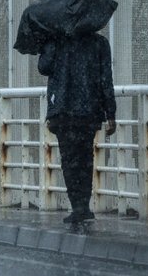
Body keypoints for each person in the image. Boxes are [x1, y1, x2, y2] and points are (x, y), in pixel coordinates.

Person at [38, 32, 117, 224]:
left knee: (69, 159)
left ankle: (77, 206)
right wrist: (110, 113)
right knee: (85, 157)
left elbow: (43, 67)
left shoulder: (56, 40)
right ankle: (84, 205)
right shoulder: (99, 43)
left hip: (63, 110)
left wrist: (46, 44)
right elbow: (106, 79)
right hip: (88, 110)